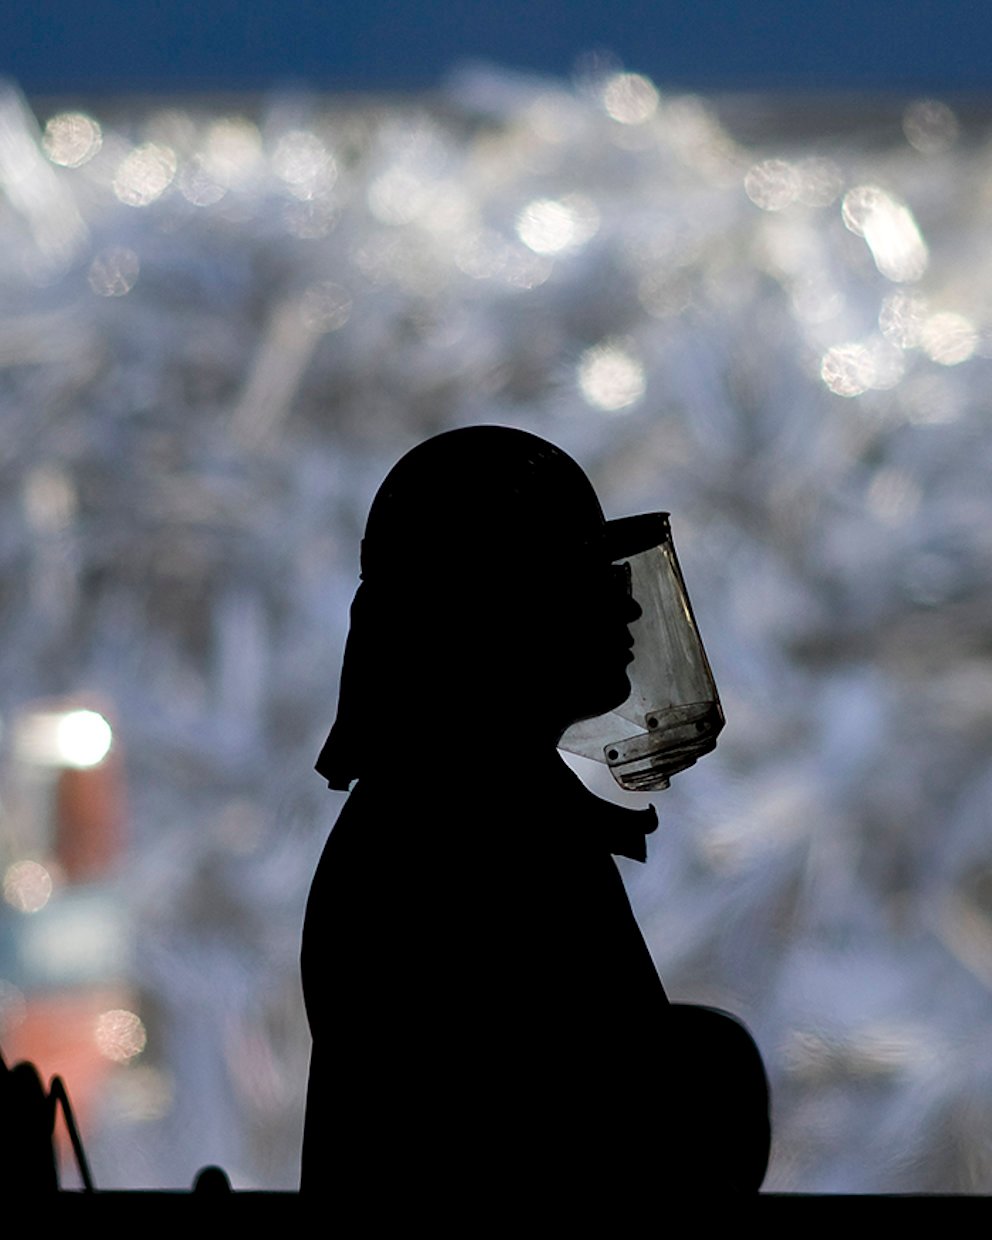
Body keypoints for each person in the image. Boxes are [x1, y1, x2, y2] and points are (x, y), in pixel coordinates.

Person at [301, 426, 770, 1215]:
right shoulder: (478, 830)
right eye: (581, 572)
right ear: (493, 605)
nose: (624, 600)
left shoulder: (452, 802)